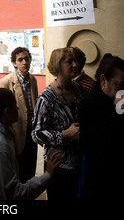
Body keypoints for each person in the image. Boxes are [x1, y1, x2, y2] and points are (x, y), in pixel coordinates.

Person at [0, 88, 62, 200]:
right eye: (15, 105)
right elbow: (15, 194)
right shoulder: (0, 144)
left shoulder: (1, 132)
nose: (18, 108)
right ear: (7, 112)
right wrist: (47, 176)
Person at [32, 47, 85, 200]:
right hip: (58, 166)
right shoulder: (46, 98)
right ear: (58, 65)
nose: (75, 65)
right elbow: (36, 133)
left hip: (79, 162)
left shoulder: (79, 89)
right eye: (70, 61)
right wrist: (64, 134)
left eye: (75, 61)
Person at [78, 54, 124, 199]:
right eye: (118, 85)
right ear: (103, 80)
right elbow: (99, 148)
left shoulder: (113, 102)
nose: (121, 91)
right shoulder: (90, 105)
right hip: (99, 180)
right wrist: (119, 114)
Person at [0, 46, 38, 182]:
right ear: (14, 63)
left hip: (31, 133)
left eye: (26, 59)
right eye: (20, 60)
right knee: (17, 170)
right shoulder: (5, 82)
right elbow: (2, 114)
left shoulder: (33, 80)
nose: (24, 62)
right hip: (16, 132)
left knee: (30, 168)